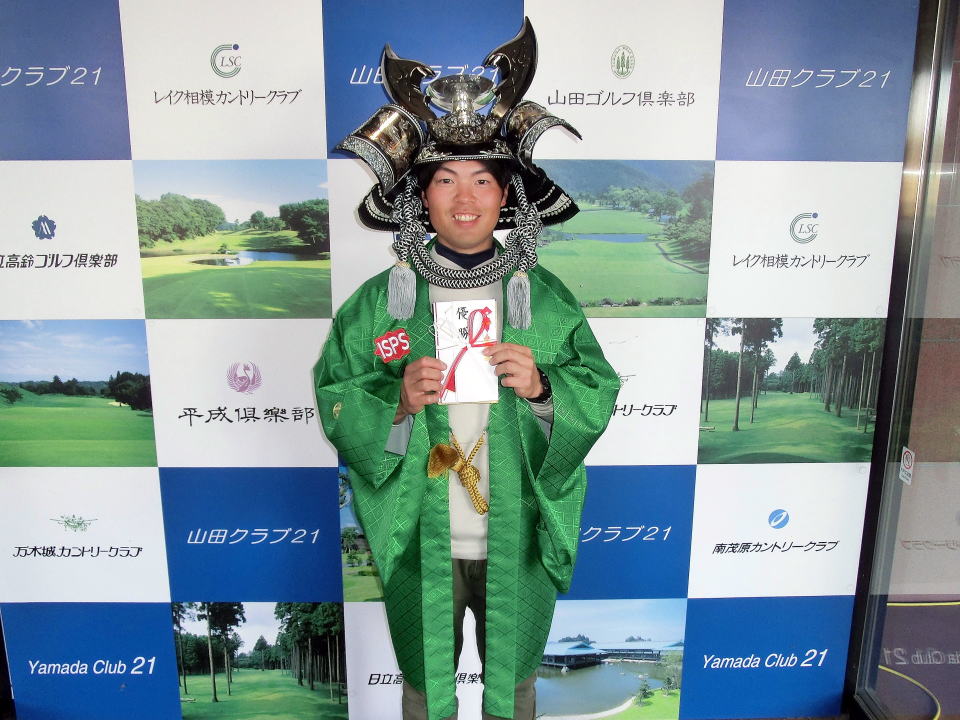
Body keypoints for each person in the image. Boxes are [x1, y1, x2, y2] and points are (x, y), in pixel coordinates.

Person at [314, 20, 619, 720]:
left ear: (507, 194)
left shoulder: (545, 299)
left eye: (483, 179)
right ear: (419, 196)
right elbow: (337, 392)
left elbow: (596, 389)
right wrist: (395, 401)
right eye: (445, 180)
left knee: (515, 686)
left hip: (518, 529)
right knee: (425, 689)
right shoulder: (379, 304)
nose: (464, 197)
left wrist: (542, 389)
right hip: (421, 531)